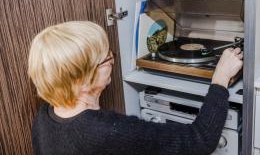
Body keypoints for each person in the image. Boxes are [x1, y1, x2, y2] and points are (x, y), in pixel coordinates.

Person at [28, 21, 243, 155]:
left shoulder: (44, 117)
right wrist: (221, 77)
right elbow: (201, 140)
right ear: (82, 80)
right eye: (106, 58)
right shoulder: (107, 131)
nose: (112, 60)